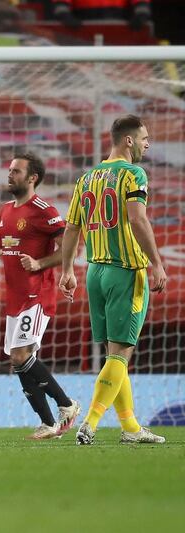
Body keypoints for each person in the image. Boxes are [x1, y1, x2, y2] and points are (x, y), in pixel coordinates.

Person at [60, 115, 166, 445]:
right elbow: (137, 219)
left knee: (114, 355)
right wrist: (157, 263)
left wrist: (67, 270)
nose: (148, 143)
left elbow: (72, 228)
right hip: (126, 271)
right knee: (121, 354)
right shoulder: (134, 174)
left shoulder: (87, 178)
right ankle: (90, 423)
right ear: (128, 141)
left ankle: (131, 428)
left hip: (95, 272)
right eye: (144, 137)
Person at [0, 153, 81, 440]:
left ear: (32, 178)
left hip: (37, 293)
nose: (10, 174)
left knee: (21, 355)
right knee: (18, 360)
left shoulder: (43, 209)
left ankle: (67, 405)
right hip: (14, 297)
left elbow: (71, 247)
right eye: (10, 170)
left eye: (16, 171)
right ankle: (49, 422)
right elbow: (2, 245)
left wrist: (41, 264)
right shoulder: (6, 210)